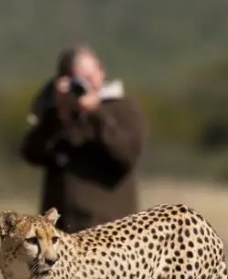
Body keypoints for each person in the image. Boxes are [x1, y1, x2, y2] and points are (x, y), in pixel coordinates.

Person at [20, 43, 147, 233]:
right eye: (77, 79)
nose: (84, 85)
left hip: (110, 231)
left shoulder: (121, 108)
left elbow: (127, 154)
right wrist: (58, 115)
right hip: (61, 232)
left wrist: (95, 113)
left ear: (101, 72)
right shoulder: (57, 114)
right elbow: (31, 153)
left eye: (89, 77)